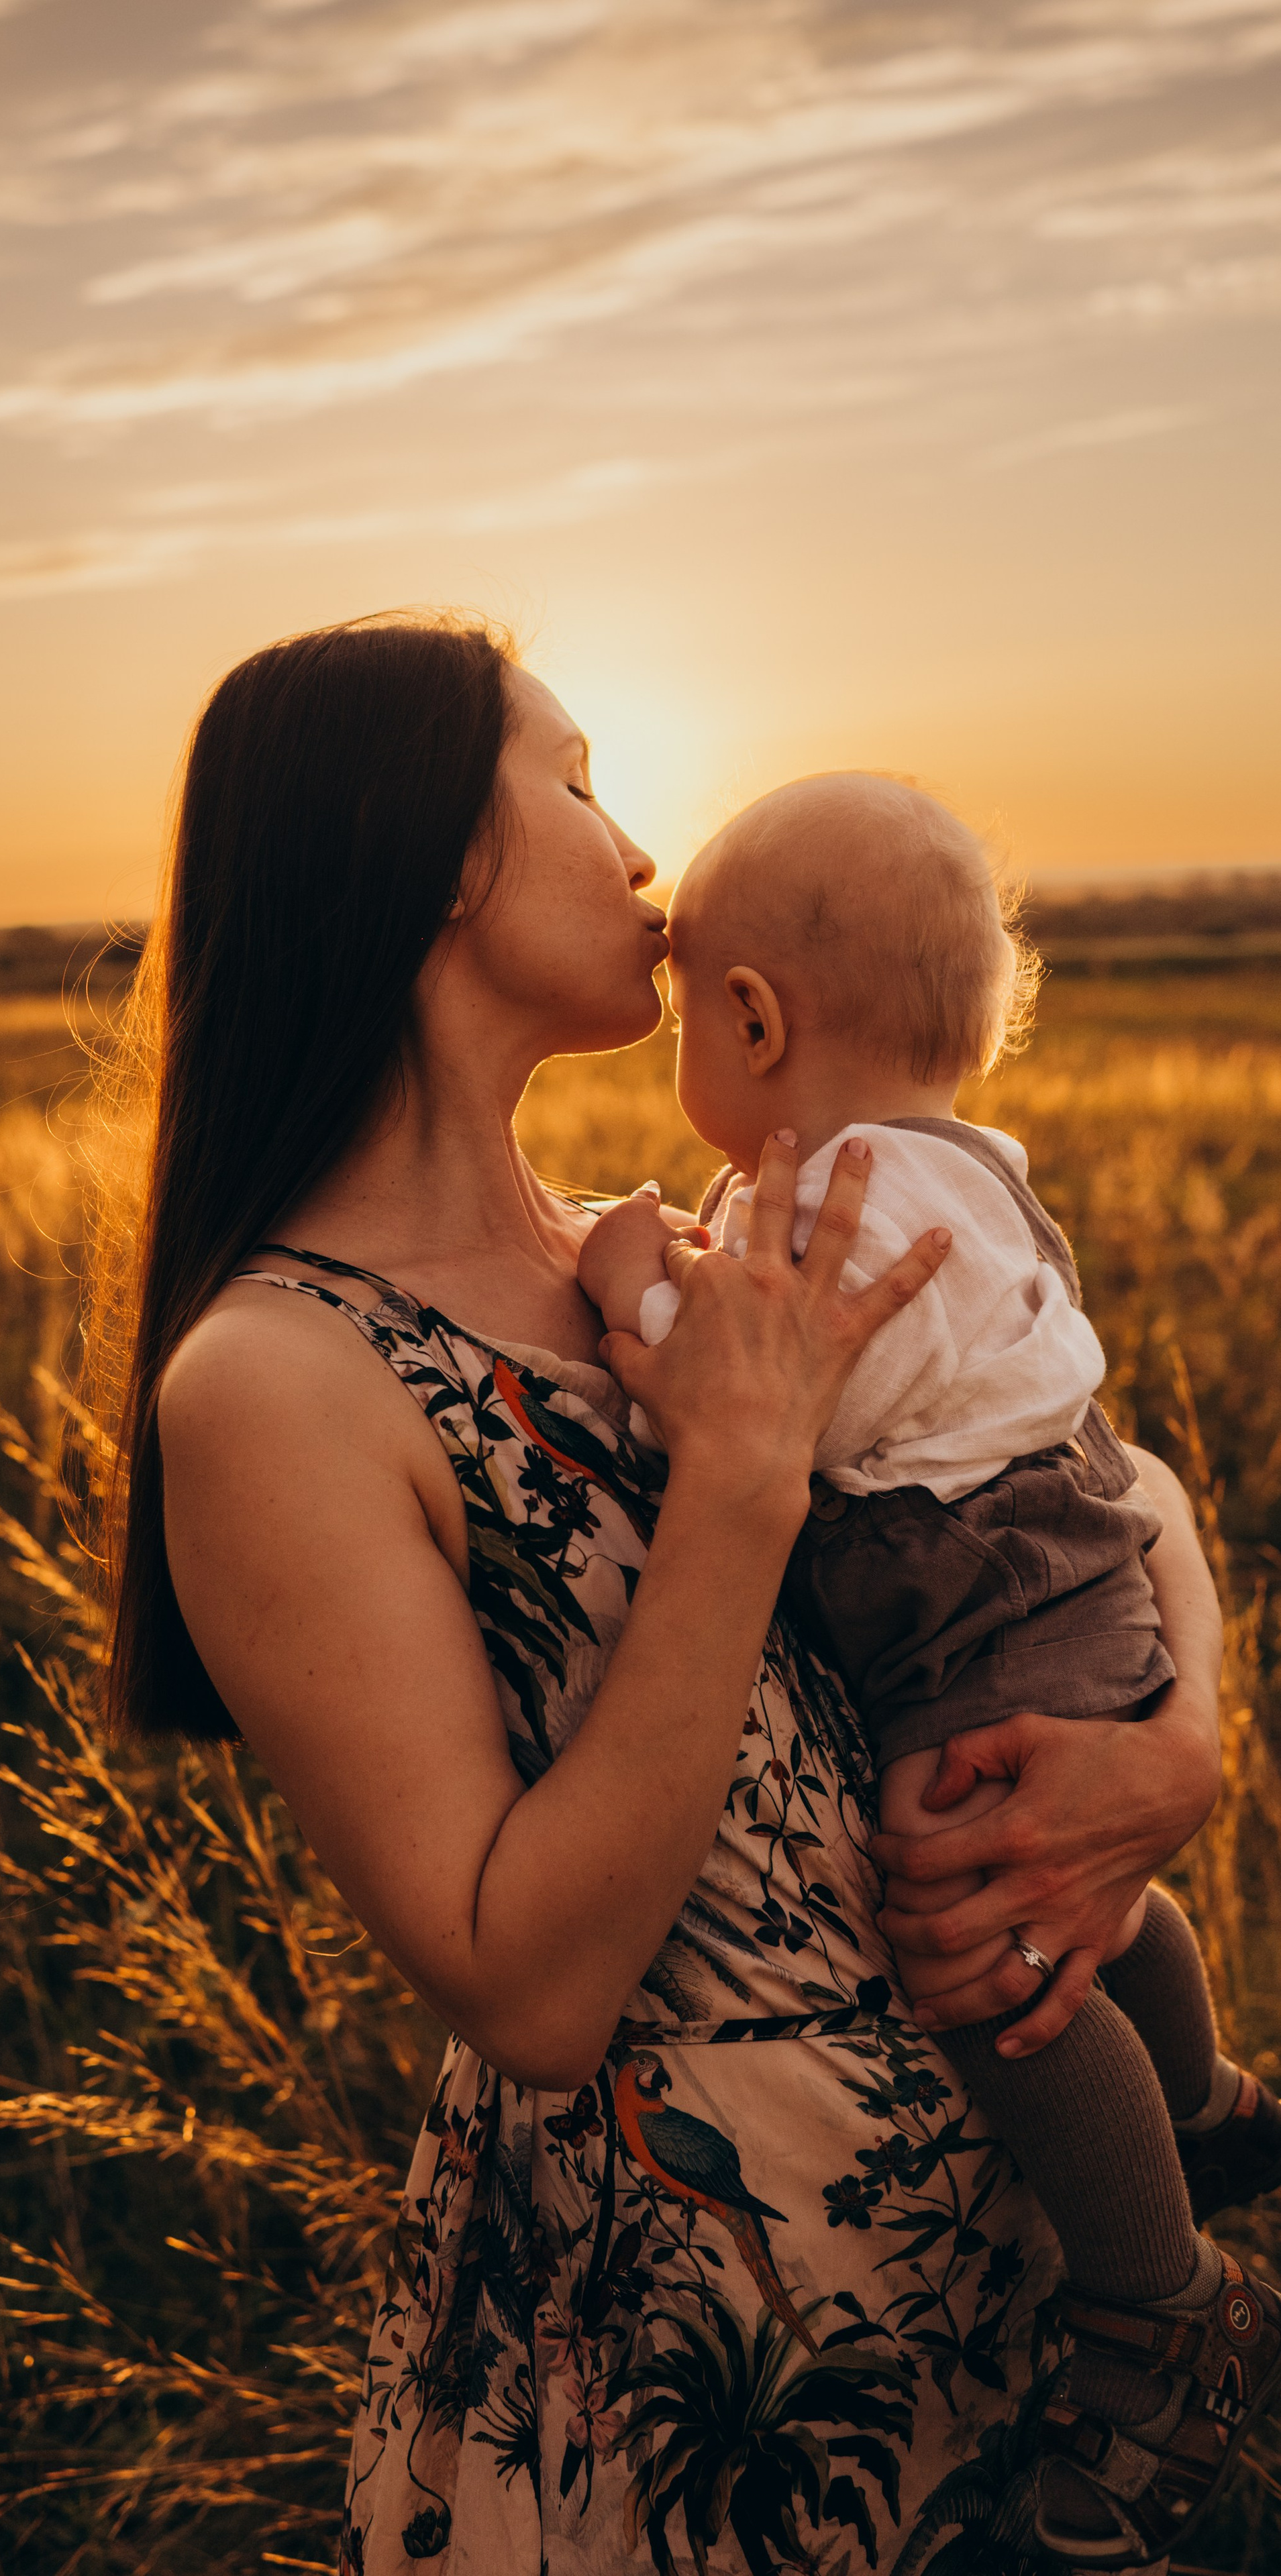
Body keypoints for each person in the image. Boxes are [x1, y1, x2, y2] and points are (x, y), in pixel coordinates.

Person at [95, 614, 1227, 2574]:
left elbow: (1100, 1484)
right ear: (442, 850)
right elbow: (529, 1984)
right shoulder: (279, 1377)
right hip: (710, 2359)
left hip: (1021, 2257)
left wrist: (1178, 1755)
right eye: (580, 778)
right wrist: (741, 1475)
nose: (640, 854)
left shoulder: (635, 1246)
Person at [578, 769, 1281, 2565]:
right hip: (1079, 1578)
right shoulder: (970, 1166)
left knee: (994, 1951)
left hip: (975, 1616)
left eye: (686, 1007)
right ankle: (1200, 2108)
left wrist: (630, 1278)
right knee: (1104, 1915)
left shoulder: (839, 1203)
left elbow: (761, 1403)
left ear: (750, 1018)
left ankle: (1156, 2299)